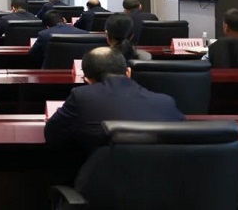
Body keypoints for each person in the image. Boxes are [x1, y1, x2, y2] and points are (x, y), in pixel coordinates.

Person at [44, 47, 184, 153]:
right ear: (128, 72)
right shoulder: (166, 102)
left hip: (102, 181)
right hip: (160, 180)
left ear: (87, 79)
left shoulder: (81, 97)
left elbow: (52, 135)